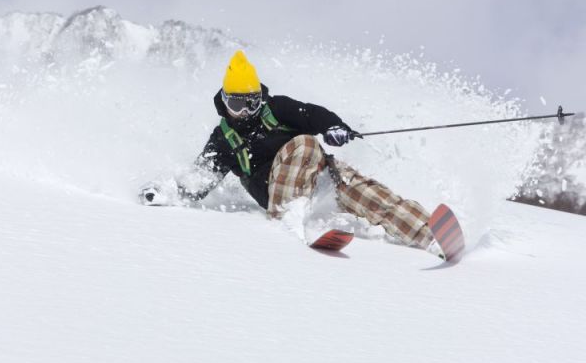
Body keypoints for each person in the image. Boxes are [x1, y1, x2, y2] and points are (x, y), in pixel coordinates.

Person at [140, 51, 439, 253]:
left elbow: (312, 115)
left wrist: (336, 127)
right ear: (225, 101)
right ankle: (287, 219)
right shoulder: (224, 140)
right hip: (277, 194)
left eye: (251, 103)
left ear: (260, 98)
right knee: (305, 144)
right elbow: (199, 178)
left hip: (319, 178)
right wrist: (164, 192)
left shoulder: (278, 108)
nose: (244, 112)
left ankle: (430, 234)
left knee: (366, 191)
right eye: (236, 104)